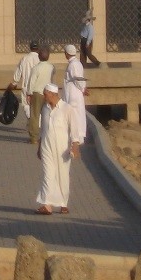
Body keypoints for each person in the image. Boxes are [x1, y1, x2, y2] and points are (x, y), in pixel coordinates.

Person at [35, 83, 82, 215]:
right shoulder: (44, 108)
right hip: (46, 146)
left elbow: (74, 129)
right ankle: (47, 205)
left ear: (53, 94)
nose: (44, 97)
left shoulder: (67, 109)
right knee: (48, 175)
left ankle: (63, 203)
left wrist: (75, 146)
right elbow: (42, 129)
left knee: (62, 175)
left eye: (45, 94)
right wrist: (39, 148)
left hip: (62, 148)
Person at [61, 44, 88, 144]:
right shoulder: (75, 63)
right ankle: (75, 136)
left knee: (75, 115)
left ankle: (77, 137)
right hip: (73, 93)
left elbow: (78, 78)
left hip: (74, 94)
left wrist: (83, 88)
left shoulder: (73, 65)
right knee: (75, 115)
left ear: (67, 54)